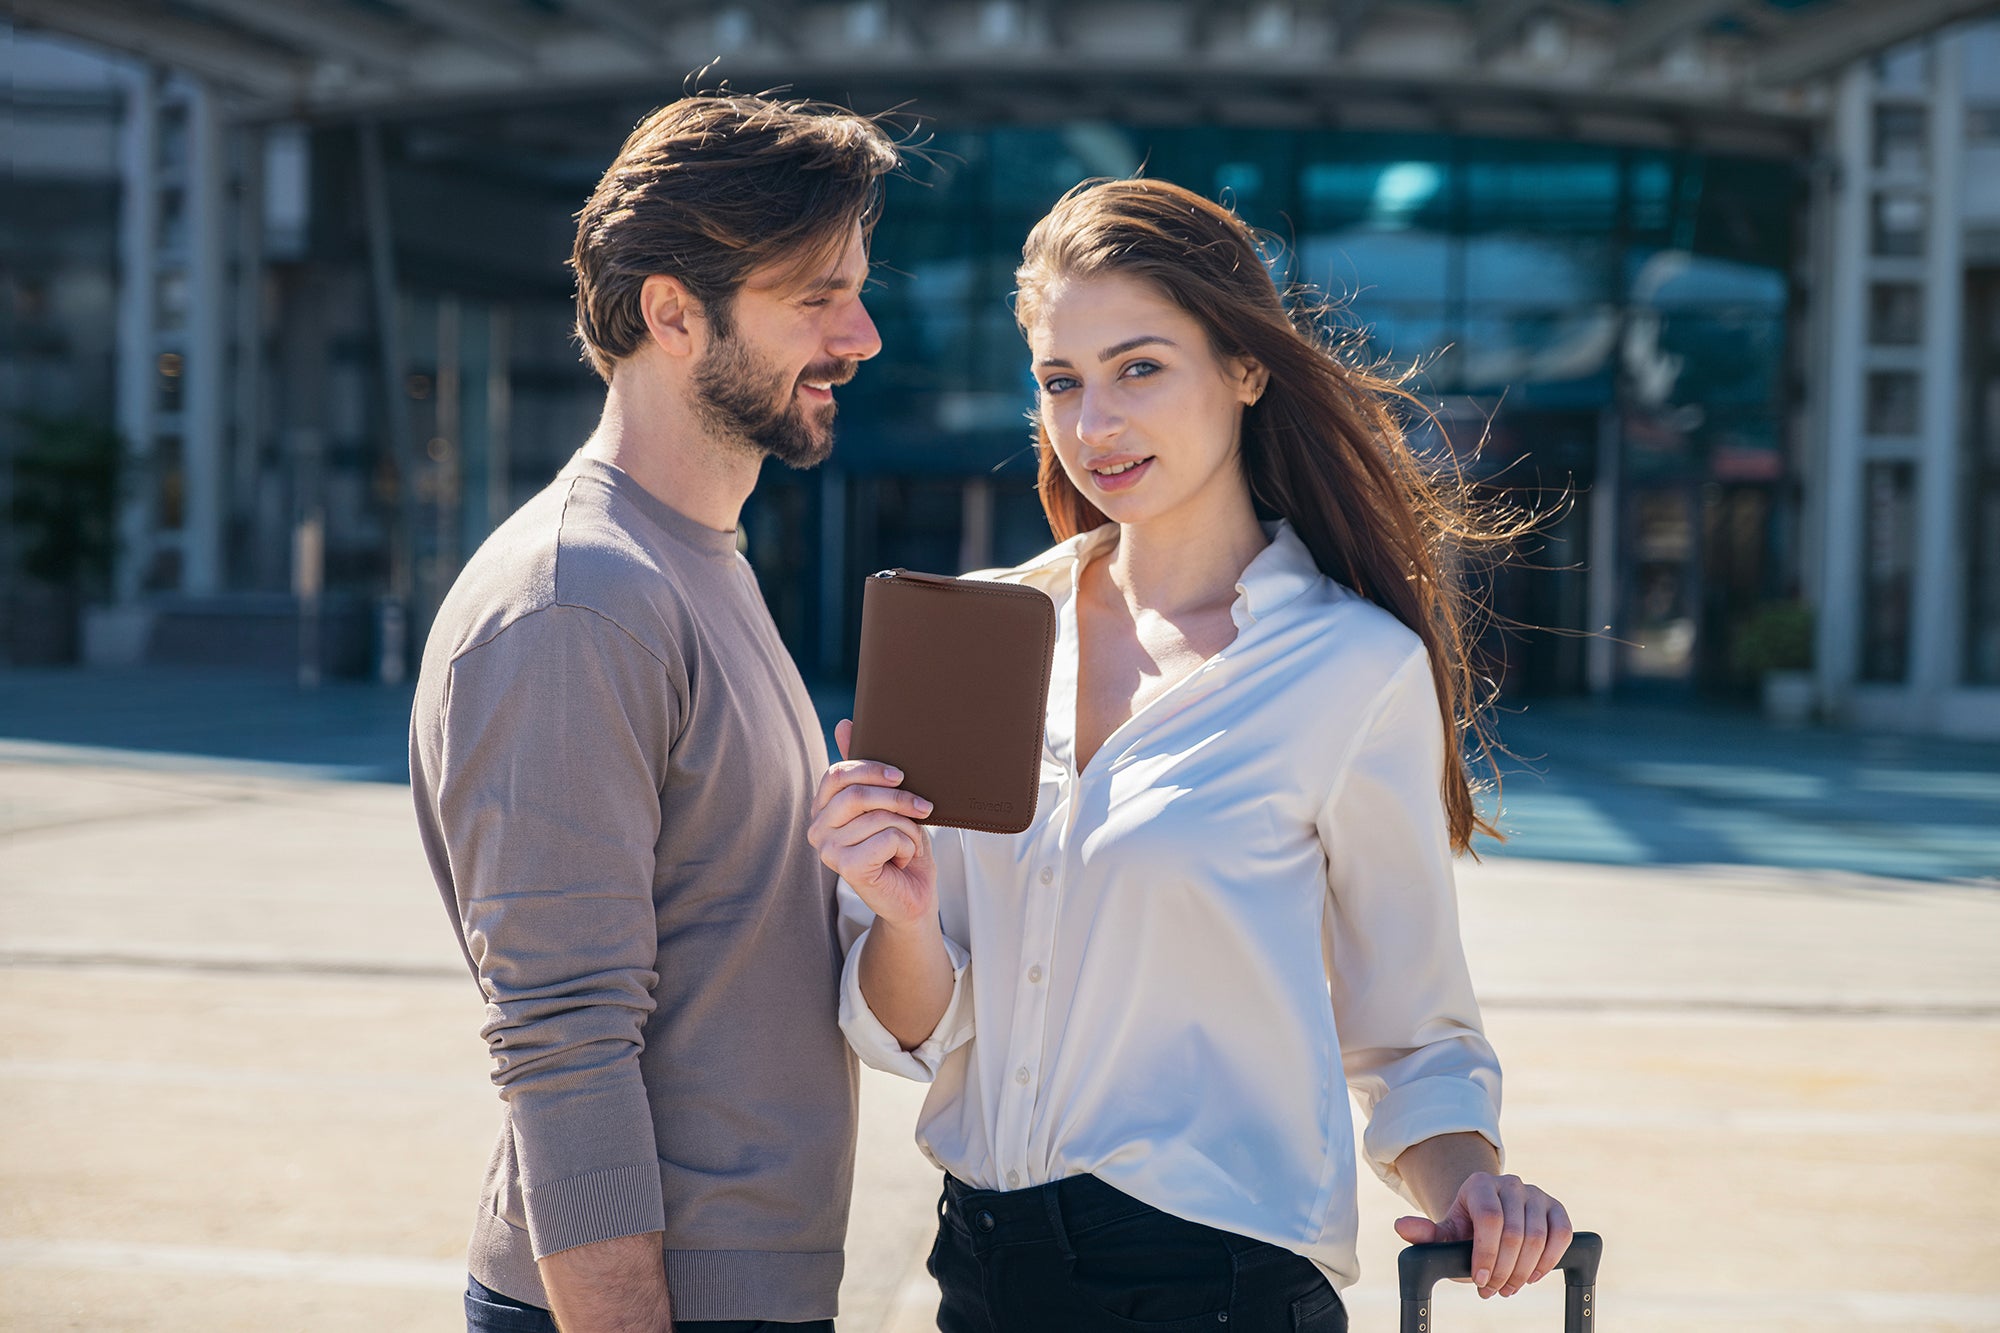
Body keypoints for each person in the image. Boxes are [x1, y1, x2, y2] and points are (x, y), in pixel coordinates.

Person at [808, 177, 1571, 1332]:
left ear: (1244, 369)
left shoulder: (1348, 670)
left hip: (1215, 1287)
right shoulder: (972, 634)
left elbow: (1412, 1036)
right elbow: (914, 1029)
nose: (1094, 423)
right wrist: (897, 910)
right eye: (1060, 381)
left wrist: (1473, 1190)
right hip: (981, 1272)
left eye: (1139, 367)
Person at [410, 93, 899, 1333]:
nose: (862, 334)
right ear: (671, 311)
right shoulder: (580, 597)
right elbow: (560, 1036)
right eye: (815, 298)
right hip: (649, 1303)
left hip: (741, 1289)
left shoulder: (696, 561)